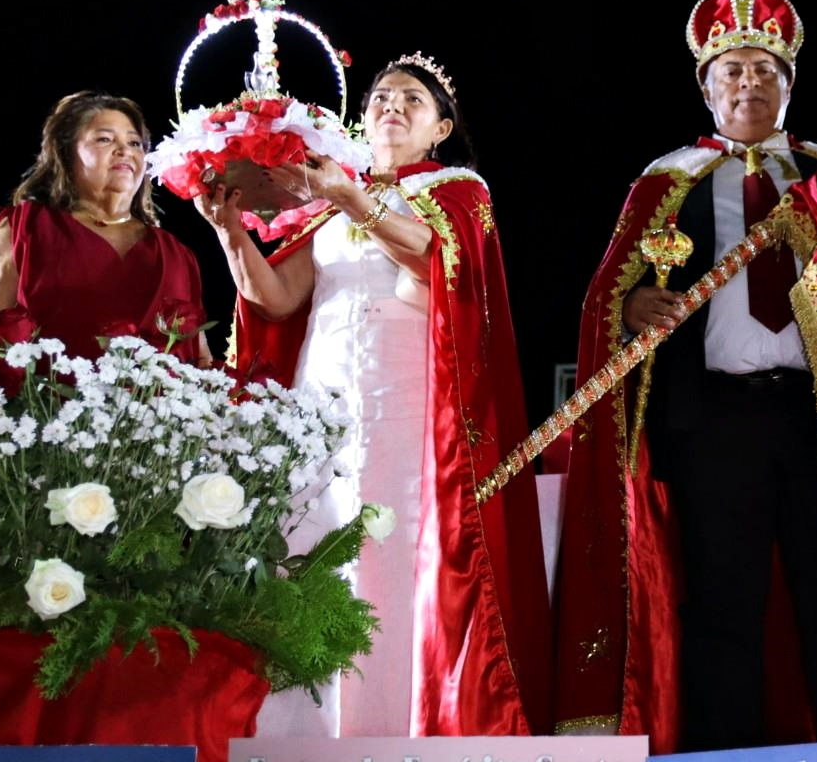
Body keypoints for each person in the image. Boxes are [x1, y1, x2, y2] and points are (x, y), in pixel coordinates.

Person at [554, 0, 817, 751]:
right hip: (714, 423)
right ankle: (723, 752)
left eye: (765, 70)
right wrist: (632, 308)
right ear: (707, 88)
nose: (749, 84)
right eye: (732, 70)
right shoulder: (666, 181)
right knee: (721, 605)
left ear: (789, 84)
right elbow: (609, 295)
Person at [197, 53, 551, 737]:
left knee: (395, 554)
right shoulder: (334, 197)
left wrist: (349, 198)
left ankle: (400, 727)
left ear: (441, 128)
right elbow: (277, 300)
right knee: (314, 546)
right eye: (382, 96)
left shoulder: (457, 190)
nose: (392, 105)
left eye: (413, 99)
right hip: (322, 404)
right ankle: (305, 736)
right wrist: (229, 230)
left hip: (411, 406)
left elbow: (433, 263)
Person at [0, 90, 210, 366]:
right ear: (66, 153)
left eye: (135, 143)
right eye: (105, 139)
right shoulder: (24, 230)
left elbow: (200, 359)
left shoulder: (176, 253)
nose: (125, 150)